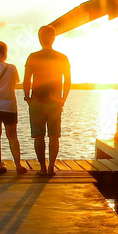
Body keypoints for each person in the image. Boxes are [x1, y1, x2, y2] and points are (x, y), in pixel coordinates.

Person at [23, 25, 71, 176]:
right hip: (55, 101)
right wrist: (63, 98)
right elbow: (68, 81)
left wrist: (28, 97)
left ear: (40, 39)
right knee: (54, 135)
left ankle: (42, 168)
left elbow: (26, 80)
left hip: (37, 100)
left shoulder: (33, 57)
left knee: (38, 135)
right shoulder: (62, 57)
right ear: (53, 38)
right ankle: (51, 167)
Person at [0, 41, 27, 174]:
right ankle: (18, 165)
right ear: (5, 54)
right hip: (9, 105)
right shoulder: (12, 68)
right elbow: (13, 84)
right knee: (12, 136)